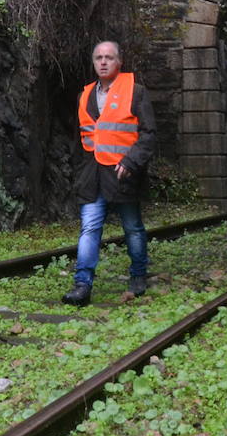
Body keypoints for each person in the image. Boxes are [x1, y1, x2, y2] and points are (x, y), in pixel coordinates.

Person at [61, 41, 157, 306]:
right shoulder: (84, 95)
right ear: (93, 62)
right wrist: (79, 170)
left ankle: (138, 275)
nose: (103, 62)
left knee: (132, 228)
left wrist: (132, 162)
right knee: (89, 228)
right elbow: (79, 138)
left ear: (119, 62)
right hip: (91, 175)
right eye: (98, 58)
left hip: (123, 174)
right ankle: (82, 285)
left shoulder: (136, 92)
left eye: (109, 57)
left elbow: (148, 134)